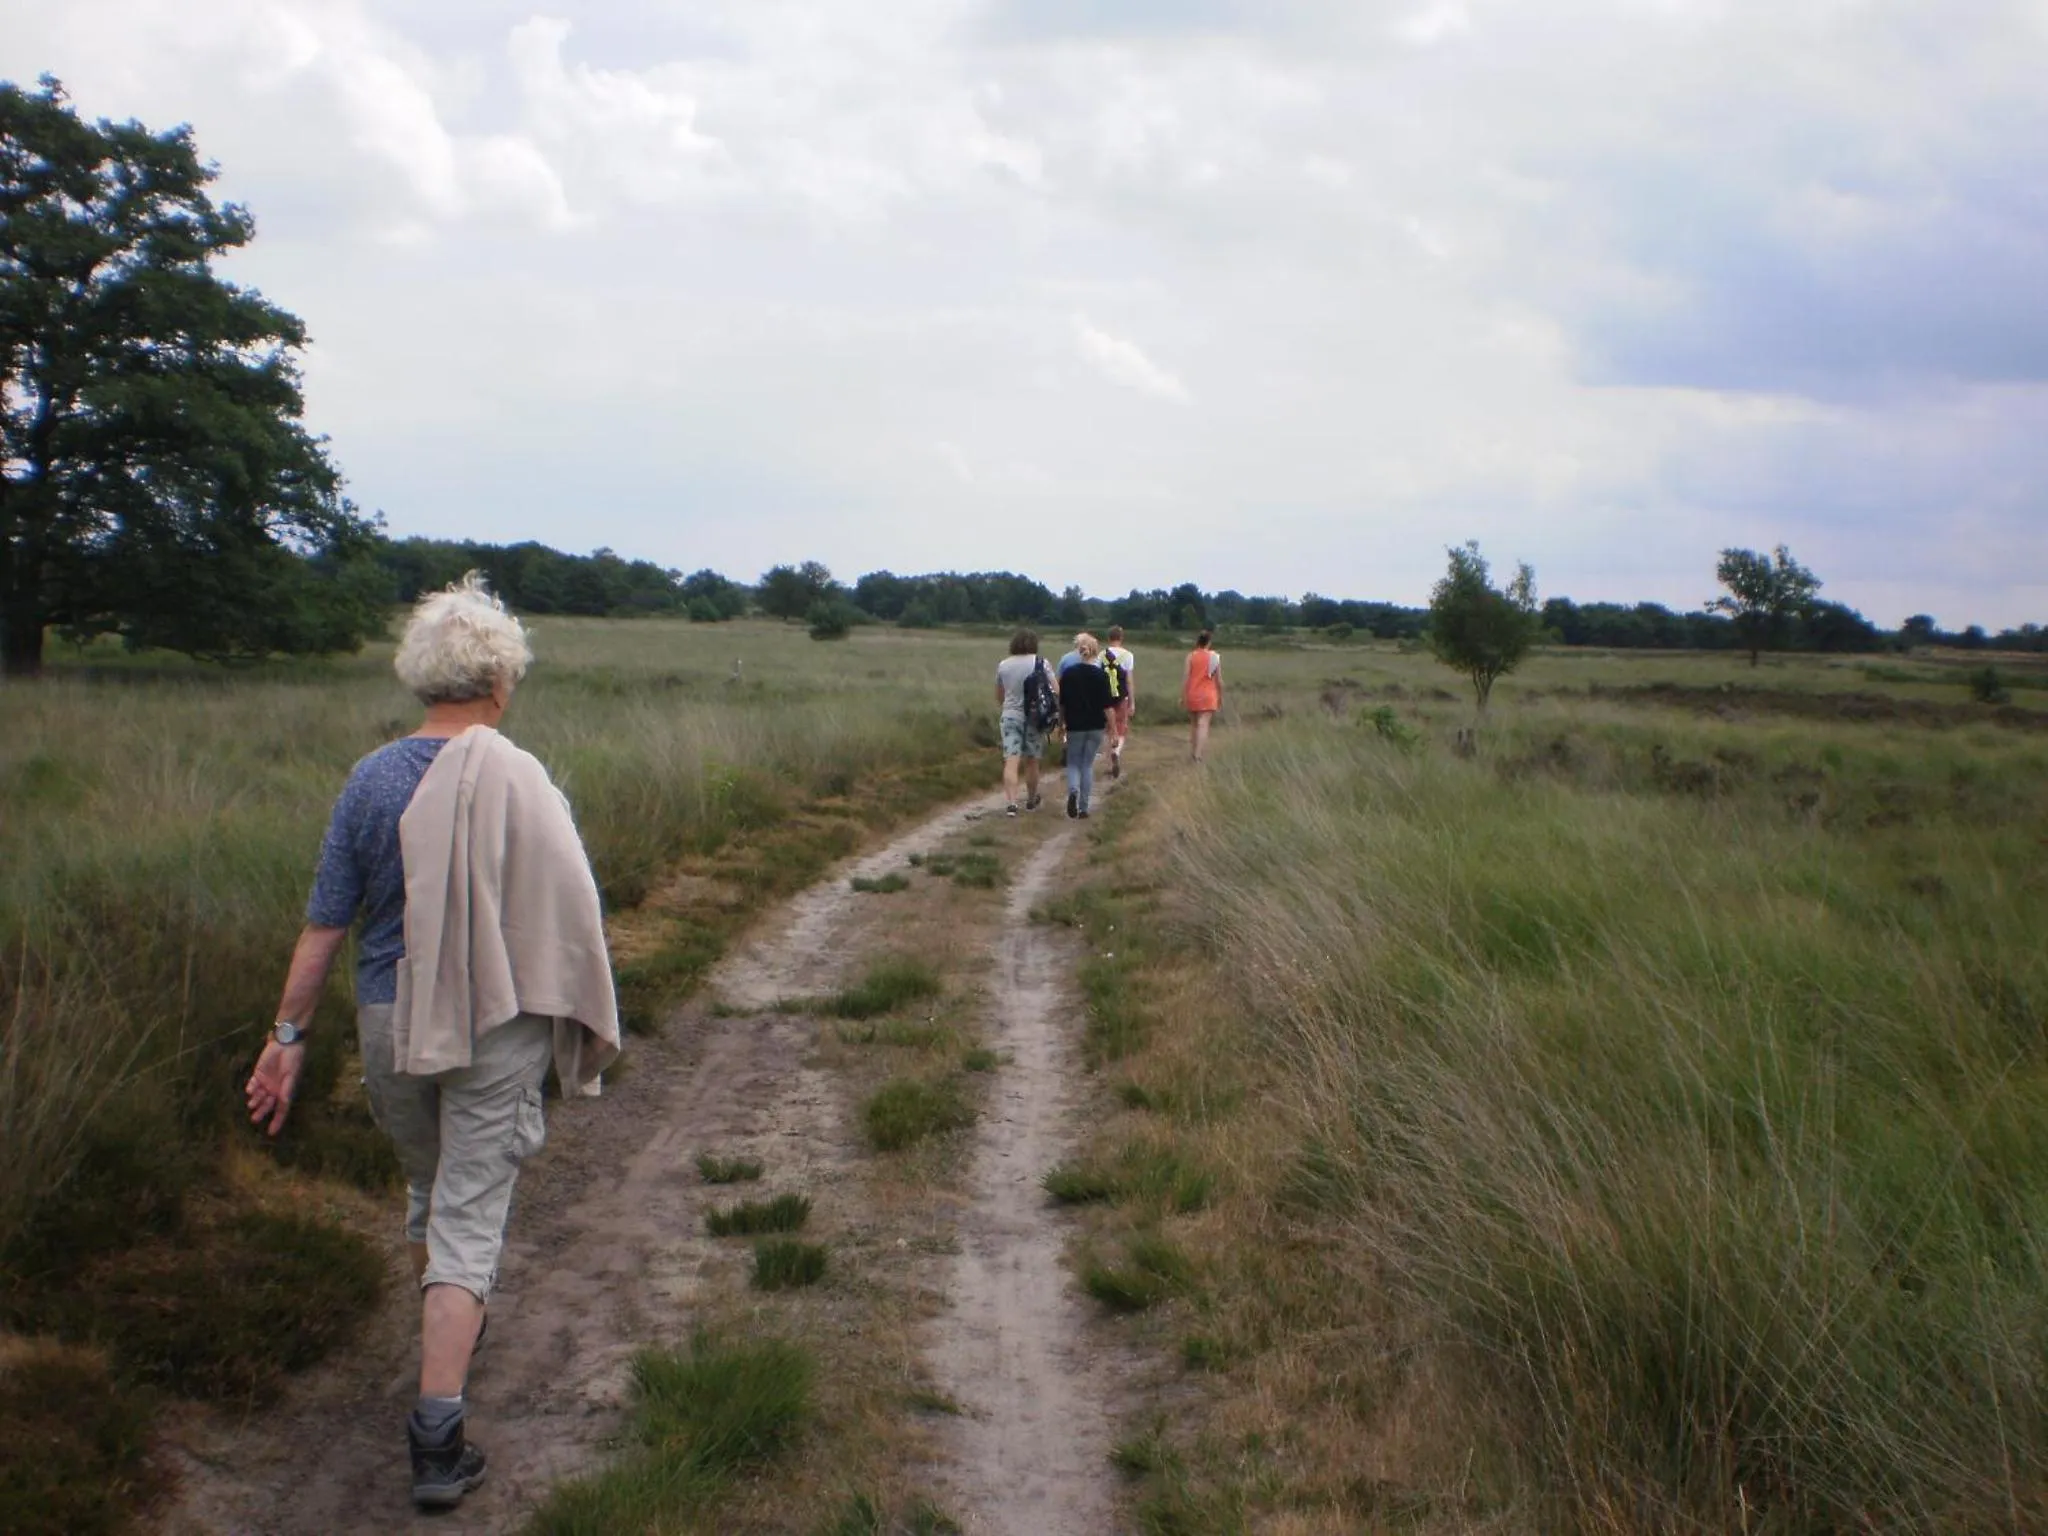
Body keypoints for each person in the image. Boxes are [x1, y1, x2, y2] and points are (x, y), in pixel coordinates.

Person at [243, 573, 620, 1511]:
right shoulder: (522, 777)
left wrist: (287, 1036)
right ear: (498, 681)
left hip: (387, 1021)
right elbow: (571, 909)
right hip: (497, 1024)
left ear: (422, 678)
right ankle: (438, 1436)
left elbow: (326, 924)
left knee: (430, 1188)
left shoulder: (369, 780)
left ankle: (447, 1318)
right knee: (468, 1217)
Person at [995, 628, 1052, 816]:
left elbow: (999, 695)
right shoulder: (1041, 663)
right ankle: (1031, 799)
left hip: (1010, 716)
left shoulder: (1003, 665)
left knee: (1011, 760)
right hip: (1034, 718)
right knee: (1032, 761)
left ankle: (1011, 803)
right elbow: (1056, 690)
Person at [1058, 632, 1115, 818]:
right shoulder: (1100, 675)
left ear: (1079, 650)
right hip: (1095, 725)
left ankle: (1073, 791)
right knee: (1087, 765)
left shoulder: (1068, 674)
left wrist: (1061, 725)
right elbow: (1108, 706)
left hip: (1075, 725)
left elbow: (1063, 704)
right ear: (1095, 651)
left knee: (1073, 762)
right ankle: (1083, 808)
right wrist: (1112, 730)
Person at [1182, 628, 1223, 762]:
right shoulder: (1214, 657)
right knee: (1203, 724)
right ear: (1209, 642)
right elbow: (1218, 680)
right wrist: (1220, 696)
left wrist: (1183, 695)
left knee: (1194, 724)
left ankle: (1193, 751)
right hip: (1209, 695)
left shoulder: (1191, 656)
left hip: (1193, 694)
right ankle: (1197, 756)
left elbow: (1186, 678)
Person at [1104, 625, 1135, 778]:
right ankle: (1116, 752)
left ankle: (1111, 762)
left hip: (1105, 696)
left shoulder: (1101, 655)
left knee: (1110, 726)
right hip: (1122, 695)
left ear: (1108, 638)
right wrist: (1132, 701)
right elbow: (1129, 680)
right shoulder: (1128, 655)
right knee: (1122, 726)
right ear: (1121, 638)